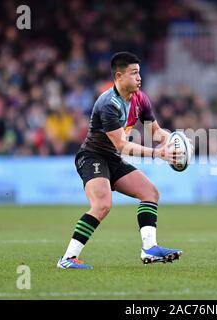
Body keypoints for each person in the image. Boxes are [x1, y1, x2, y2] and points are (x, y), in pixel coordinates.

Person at [57, 52, 184, 269]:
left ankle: (150, 249)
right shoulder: (108, 103)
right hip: (92, 156)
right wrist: (158, 154)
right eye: (134, 73)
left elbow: (156, 132)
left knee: (150, 193)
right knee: (102, 205)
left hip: (112, 159)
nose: (139, 77)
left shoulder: (141, 99)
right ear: (119, 76)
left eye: (139, 73)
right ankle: (67, 259)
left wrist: (175, 142)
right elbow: (122, 145)